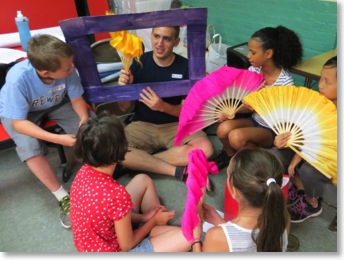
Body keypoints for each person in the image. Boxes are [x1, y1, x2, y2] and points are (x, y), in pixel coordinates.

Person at [0, 34, 91, 229]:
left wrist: (84, 121)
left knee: (90, 129)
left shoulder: (68, 69)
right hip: (20, 114)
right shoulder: (18, 79)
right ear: (46, 72)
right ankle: (63, 197)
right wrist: (58, 138)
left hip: (55, 103)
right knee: (29, 148)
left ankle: (97, 179)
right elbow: (19, 124)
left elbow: (76, 101)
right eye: (66, 68)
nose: (72, 69)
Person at [70, 112, 192, 252]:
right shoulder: (116, 194)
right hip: (115, 250)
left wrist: (143, 218)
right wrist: (153, 221)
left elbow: (110, 213)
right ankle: (156, 228)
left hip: (94, 244)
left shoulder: (84, 171)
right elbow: (127, 245)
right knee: (188, 237)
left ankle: (155, 229)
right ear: (120, 150)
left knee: (142, 180)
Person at [117, 26, 214, 190]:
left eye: (167, 39)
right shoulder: (139, 62)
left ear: (176, 42)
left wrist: (162, 107)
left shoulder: (186, 67)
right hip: (143, 124)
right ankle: (176, 169)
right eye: (156, 36)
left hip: (175, 125)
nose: (160, 43)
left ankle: (143, 162)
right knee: (113, 150)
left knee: (205, 147)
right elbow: (124, 108)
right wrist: (123, 89)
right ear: (151, 36)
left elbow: (187, 113)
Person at [213, 25, 303, 170]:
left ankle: (254, 162)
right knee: (223, 129)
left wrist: (260, 102)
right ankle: (231, 156)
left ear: (268, 53)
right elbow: (246, 106)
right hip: (253, 119)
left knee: (236, 137)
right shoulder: (253, 71)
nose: (248, 56)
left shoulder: (285, 82)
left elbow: (286, 119)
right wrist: (232, 112)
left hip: (270, 129)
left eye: (253, 52)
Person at [272, 56, 337, 224]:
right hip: (307, 149)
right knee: (275, 154)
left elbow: (315, 146)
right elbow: (303, 133)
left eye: (327, 82)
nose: (320, 85)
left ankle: (312, 203)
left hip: (329, 159)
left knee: (309, 169)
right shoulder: (318, 102)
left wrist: (295, 161)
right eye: (320, 78)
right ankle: (300, 188)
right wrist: (280, 139)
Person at [191, 147, 290, 252]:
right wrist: (220, 222)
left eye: (228, 176)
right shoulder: (283, 216)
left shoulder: (217, 237)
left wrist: (195, 240)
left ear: (234, 190)